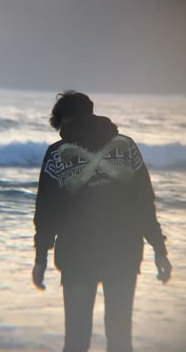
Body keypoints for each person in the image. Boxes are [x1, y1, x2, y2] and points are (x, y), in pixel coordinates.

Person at [32, 91, 172, 352]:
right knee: (120, 338)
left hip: (76, 255)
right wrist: (159, 249)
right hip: (124, 252)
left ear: (65, 119)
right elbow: (145, 202)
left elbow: (46, 211)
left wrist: (40, 258)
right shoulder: (127, 147)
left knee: (76, 339)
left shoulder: (56, 154)